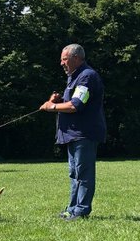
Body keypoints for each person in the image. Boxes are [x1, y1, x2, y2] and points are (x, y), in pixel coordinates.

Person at [40, 44, 106, 221]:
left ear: (76, 58)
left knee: (83, 174)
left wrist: (52, 106)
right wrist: (60, 100)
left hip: (84, 134)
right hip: (74, 134)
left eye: (64, 59)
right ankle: (72, 209)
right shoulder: (74, 77)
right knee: (74, 173)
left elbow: (76, 105)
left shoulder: (87, 77)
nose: (61, 63)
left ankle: (81, 211)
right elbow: (71, 102)